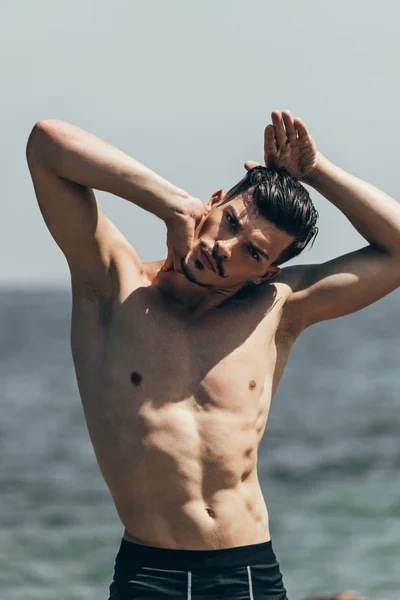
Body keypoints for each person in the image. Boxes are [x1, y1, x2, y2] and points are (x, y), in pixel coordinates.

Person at [26, 110, 400, 599]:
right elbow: (47, 144)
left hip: (249, 573)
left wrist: (317, 170)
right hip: (148, 576)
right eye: (231, 223)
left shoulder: (277, 309)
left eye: (253, 252)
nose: (227, 248)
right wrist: (171, 202)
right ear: (217, 202)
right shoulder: (111, 284)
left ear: (265, 273)